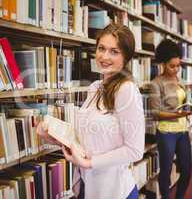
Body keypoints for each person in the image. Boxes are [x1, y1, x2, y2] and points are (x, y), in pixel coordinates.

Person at [37, 23, 145, 199]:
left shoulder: (127, 90)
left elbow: (135, 150)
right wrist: (54, 136)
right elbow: (86, 139)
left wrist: (89, 163)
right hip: (87, 185)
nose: (104, 56)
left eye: (114, 51)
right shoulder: (95, 87)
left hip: (114, 191)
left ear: (126, 57)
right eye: (101, 48)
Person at [149, 39, 192, 199]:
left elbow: (182, 103)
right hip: (166, 132)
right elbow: (155, 112)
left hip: (183, 130)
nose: (176, 69)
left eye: (178, 65)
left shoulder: (178, 81)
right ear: (163, 64)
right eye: (172, 66)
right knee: (166, 170)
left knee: (187, 170)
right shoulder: (156, 83)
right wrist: (179, 114)